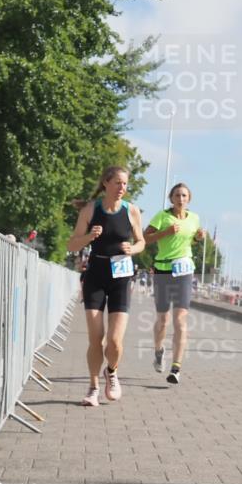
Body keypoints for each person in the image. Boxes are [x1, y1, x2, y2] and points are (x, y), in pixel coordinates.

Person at [67, 166, 146, 407]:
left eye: (125, 184)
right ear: (106, 183)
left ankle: (111, 371)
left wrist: (133, 249)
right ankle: (93, 388)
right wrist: (90, 237)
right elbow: (71, 245)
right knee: (95, 337)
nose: (122, 188)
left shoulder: (131, 211)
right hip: (96, 276)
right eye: (118, 183)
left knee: (114, 342)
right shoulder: (91, 210)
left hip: (121, 277)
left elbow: (141, 241)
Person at [144, 183, 204, 385]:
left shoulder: (194, 218)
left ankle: (176, 368)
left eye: (184, 195)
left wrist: (198, 237)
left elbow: (191, 240)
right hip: (163, 270)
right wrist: (166, 232)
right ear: (171, 198)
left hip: (185, 271)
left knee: (180, 320)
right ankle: (158, 351)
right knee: (163, 320)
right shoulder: (162, 216)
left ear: (189, 199)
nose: (181, 198)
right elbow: (145, 238)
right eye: (177, 195)